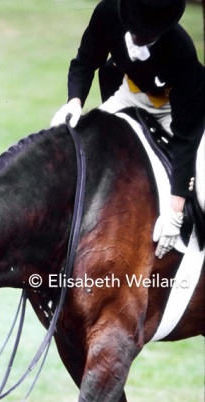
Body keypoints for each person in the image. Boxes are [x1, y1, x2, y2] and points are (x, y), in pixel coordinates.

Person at [51, 0, 205, 258]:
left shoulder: (182, 51)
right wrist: (74, 103)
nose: (138, 36)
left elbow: (186, 137)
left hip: (178, 112)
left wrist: (176, 206)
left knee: (202, 192)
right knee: (82, 145)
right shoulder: (108, 12)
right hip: (131, 95)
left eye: (147, 33)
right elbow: (85, 61)